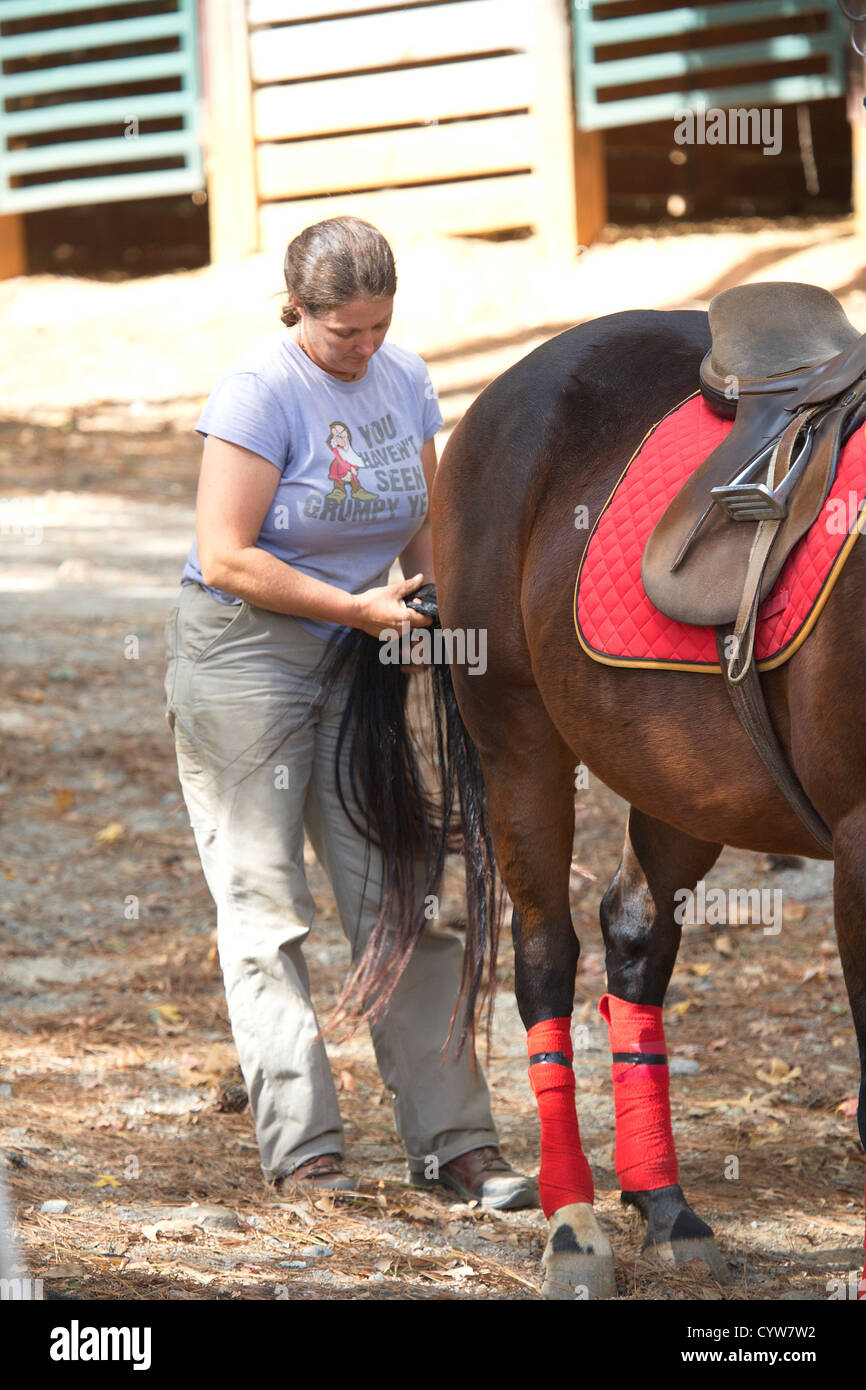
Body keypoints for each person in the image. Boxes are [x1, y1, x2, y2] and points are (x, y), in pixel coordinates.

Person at [162, 216, 535, 1209]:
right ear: (298, 310)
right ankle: (306, 1150)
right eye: (342, 334)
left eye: (376, 328)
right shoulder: (258, 388)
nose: (361, 349)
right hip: (248, 654)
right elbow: (228, 551)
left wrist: (429, 595)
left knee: (401, 895)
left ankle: (455, 1142)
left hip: (357, 649)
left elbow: (421, 512)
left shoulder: (404, 375)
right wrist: (353, 607)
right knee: (263, 906)